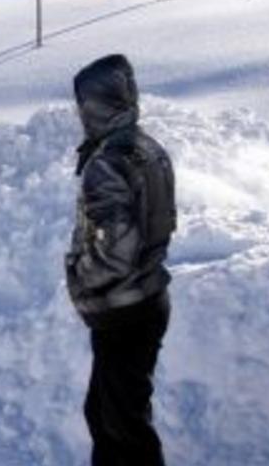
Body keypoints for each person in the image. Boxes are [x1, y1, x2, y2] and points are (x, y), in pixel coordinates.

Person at [64, 54, 177, 466]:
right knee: (110, 416)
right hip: (147, 298)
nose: (79, 113)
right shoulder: (148, 148)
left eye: (82, 104)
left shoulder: (109, 161)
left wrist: (80, 275)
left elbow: (118, 248)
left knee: (123, 427)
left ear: (97, 103)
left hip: (124, 308)